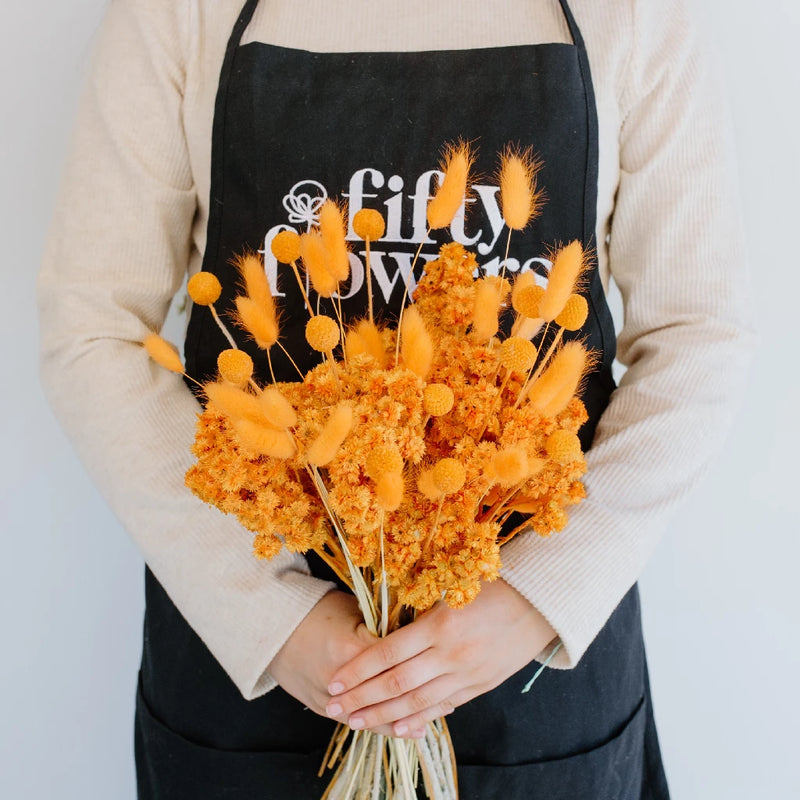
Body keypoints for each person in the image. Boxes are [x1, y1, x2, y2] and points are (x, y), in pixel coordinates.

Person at [38, 0, 753, 797]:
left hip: (532, 679)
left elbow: (698, 335)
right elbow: (93, 327)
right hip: (253, 669)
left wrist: (538, 597)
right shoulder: (178, 14)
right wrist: (270, 620)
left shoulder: (634, 17)